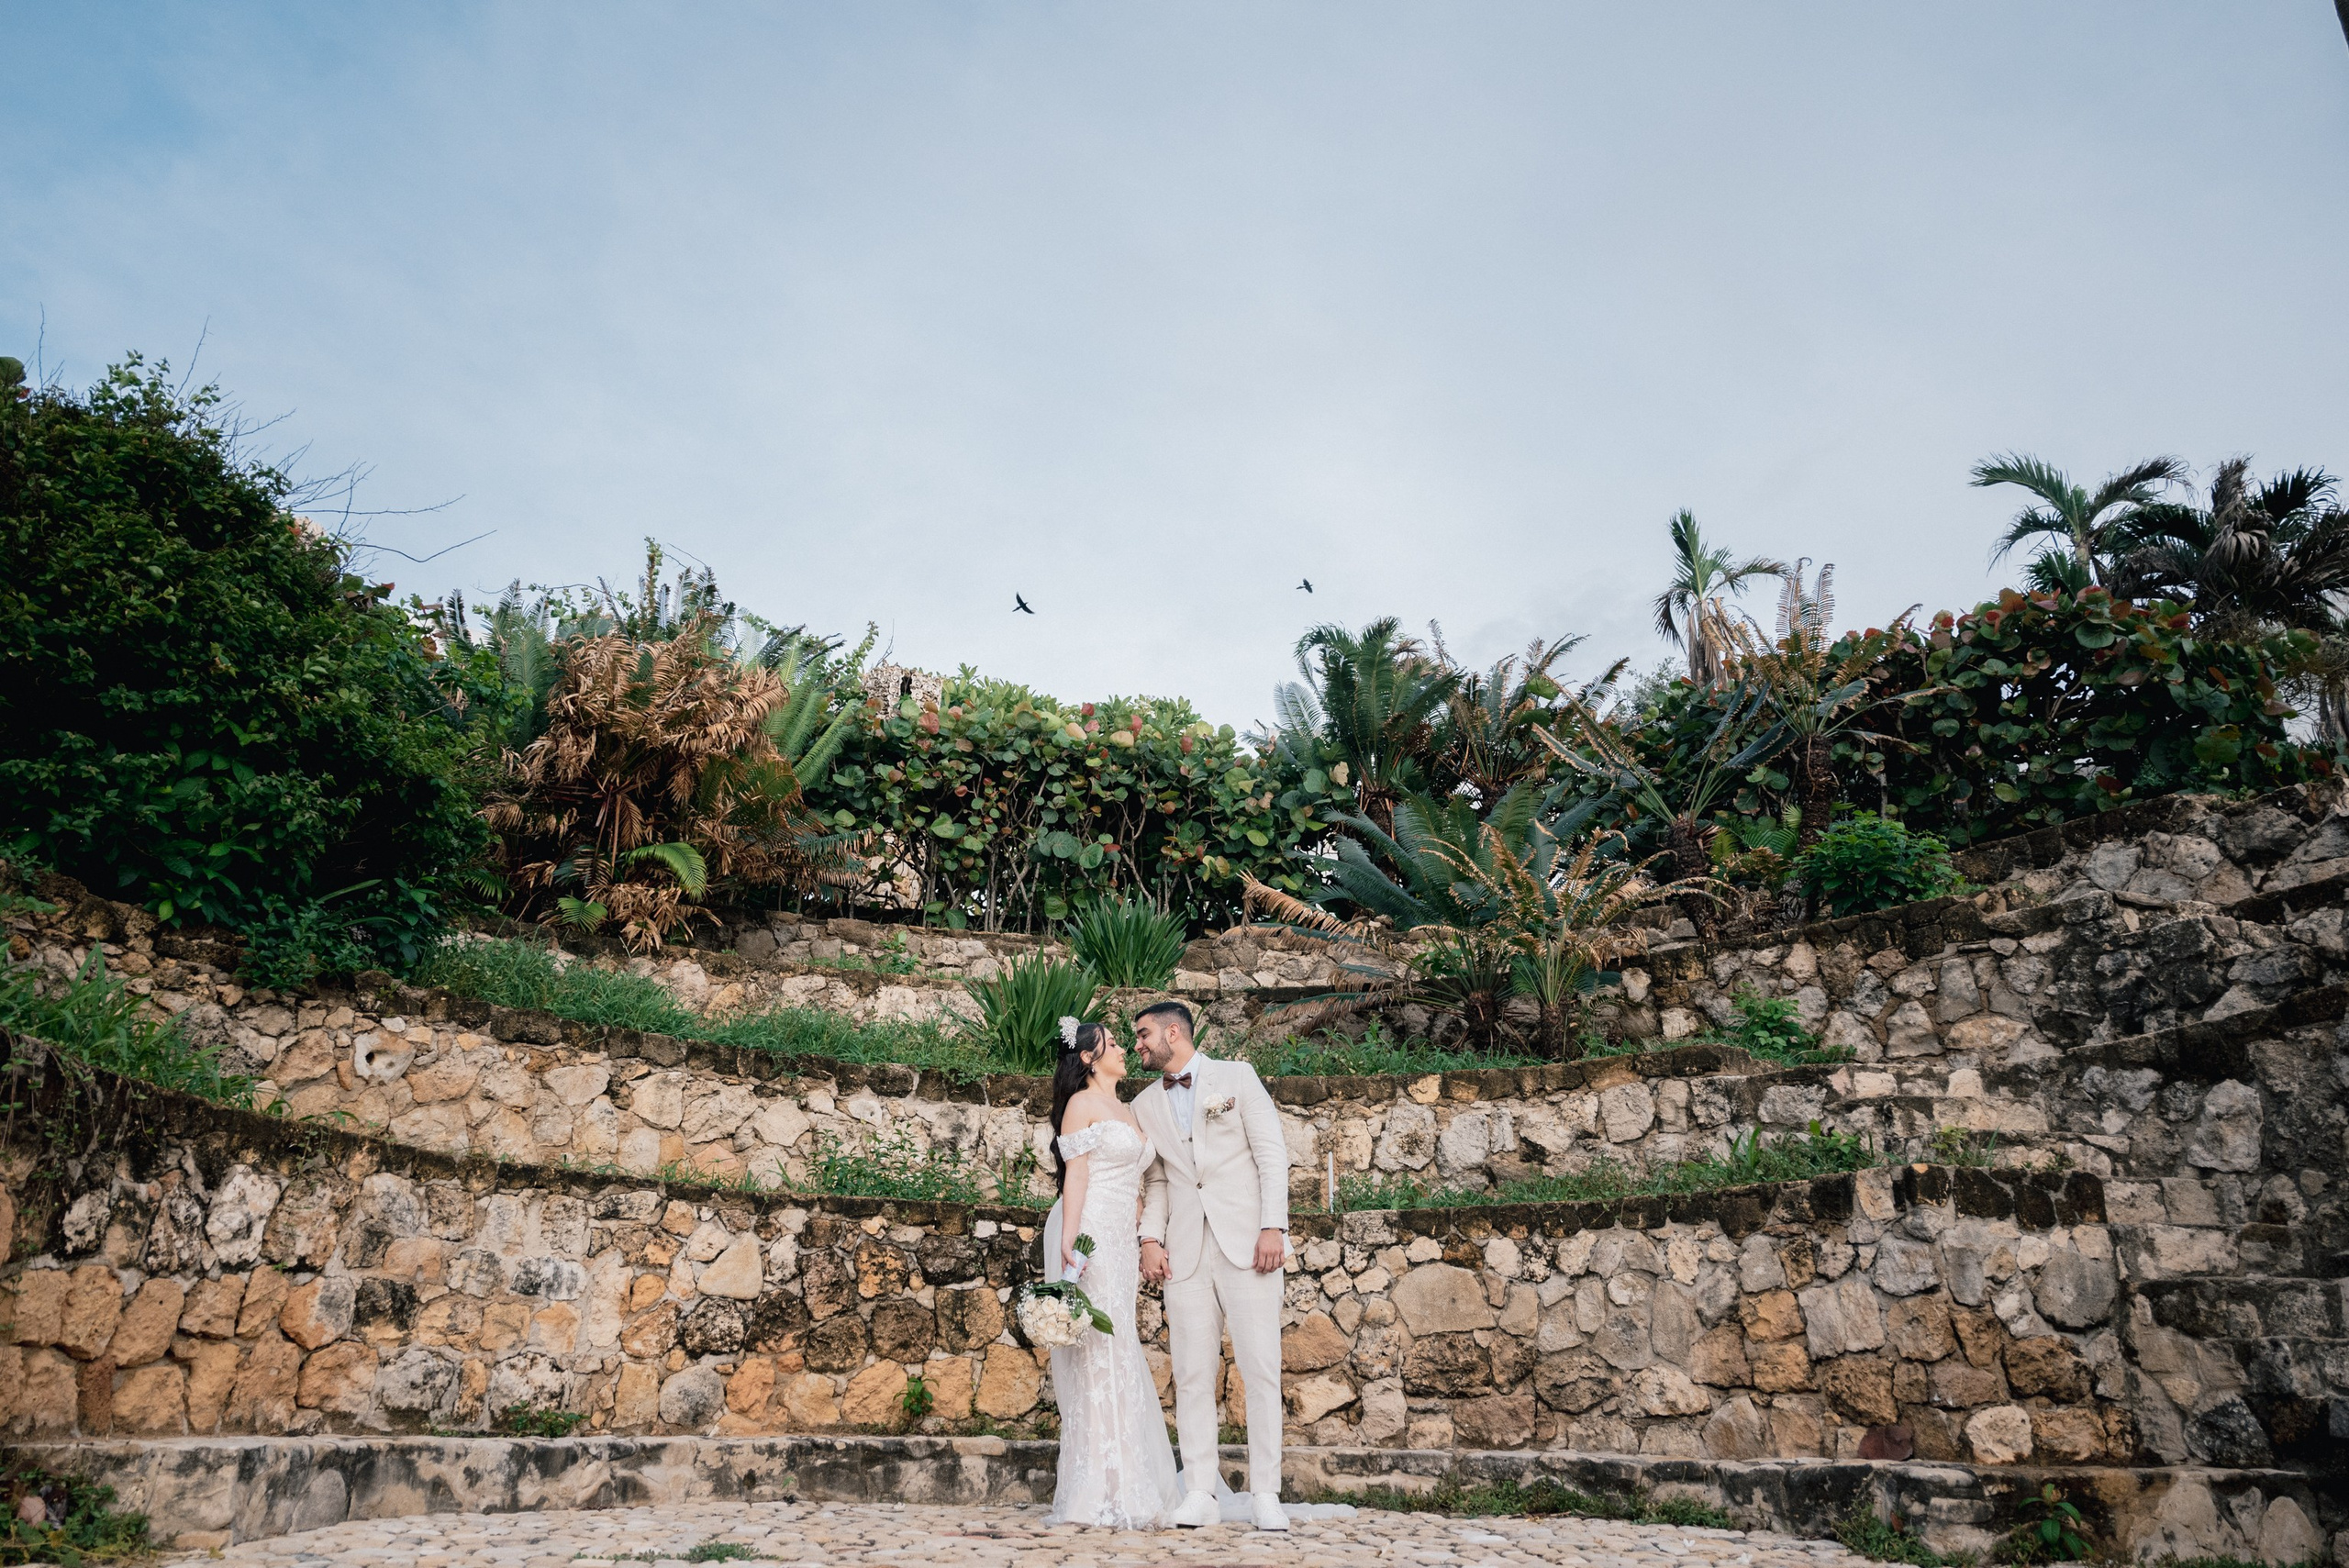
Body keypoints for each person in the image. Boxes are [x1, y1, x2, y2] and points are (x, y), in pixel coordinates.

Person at [1130, 1000, 1292, 1533]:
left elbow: (1271, 1155)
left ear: (1173, 1032)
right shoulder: (1145, 1104)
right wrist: (1149, 1238)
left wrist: (1274, 1226)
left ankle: (1266, 1492)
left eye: (1144, 1034)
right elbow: (1156, 1181)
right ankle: (1200, 1490)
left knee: (1261, 1368)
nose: (1139, 1045)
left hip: (1249, 1244)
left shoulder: (1237, 1077)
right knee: (1191, 1374)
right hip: (1186, 1254)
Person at [1040, 1018, 1180, 1529]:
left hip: (1123, 1240)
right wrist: (1070, 1247)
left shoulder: (1128, 1107)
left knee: (1120, 1347)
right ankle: (1100, 1485)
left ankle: (1126, 1474)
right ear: (1088, 1059)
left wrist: (1145, 1234)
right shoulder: (1082, 1105)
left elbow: (1141, 1180)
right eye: (1113, 1044)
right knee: (1101, 1351)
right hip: (1093, 1235)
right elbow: (1075, 1176)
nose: (1124, 1048)